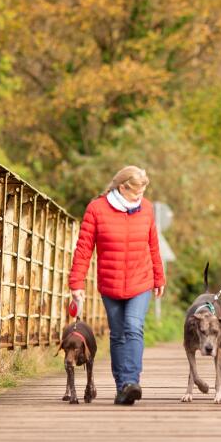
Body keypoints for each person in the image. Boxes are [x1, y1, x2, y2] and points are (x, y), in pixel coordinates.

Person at [69, 166, 166, 405]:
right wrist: (76, 282)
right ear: (122, 188)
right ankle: (122, 387)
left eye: (143, 192)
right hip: (110, 283)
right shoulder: (97, 209)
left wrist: (159, 276)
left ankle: (132, 381)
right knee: (118, 334)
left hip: (140, 280)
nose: (140, 198)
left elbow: (153, 244)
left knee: (133, 327)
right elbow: (83, 249)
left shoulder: (147, 209)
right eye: (136, 193)